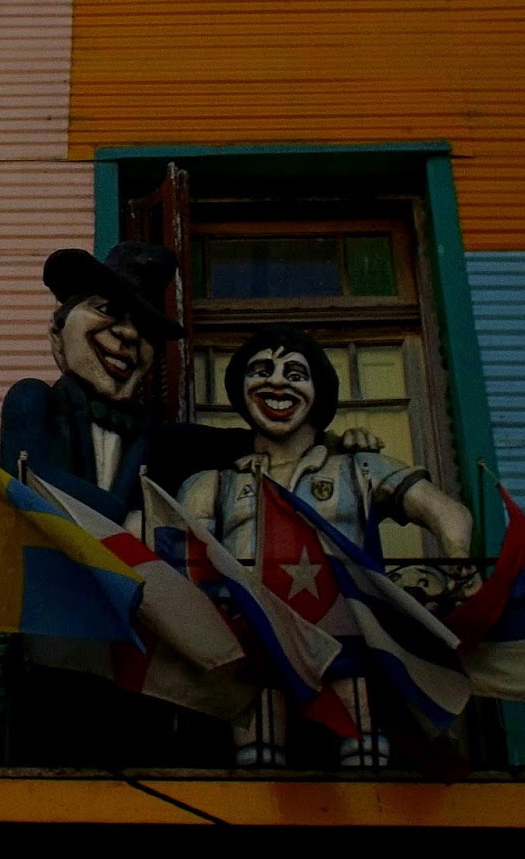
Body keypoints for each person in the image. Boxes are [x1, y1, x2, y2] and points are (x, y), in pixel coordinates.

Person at [178, 324, 474, 767]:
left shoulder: (360, 470)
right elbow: (182, 556)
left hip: (344, 637)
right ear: (241, 390)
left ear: (319, 393)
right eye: (261, 370)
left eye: (295, 374)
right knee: (257, 760)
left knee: (365, 757)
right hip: (256, 640)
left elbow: (445, 511)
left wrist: (459, 565)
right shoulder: (214, 484)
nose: (276, 382)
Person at [0, 242, 185, 531]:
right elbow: (35, 480)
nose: (129, 333)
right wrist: (128, 518)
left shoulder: (152, 434)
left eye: (145, 327)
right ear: (57, 328)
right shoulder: (32, 399)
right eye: (106, 309)